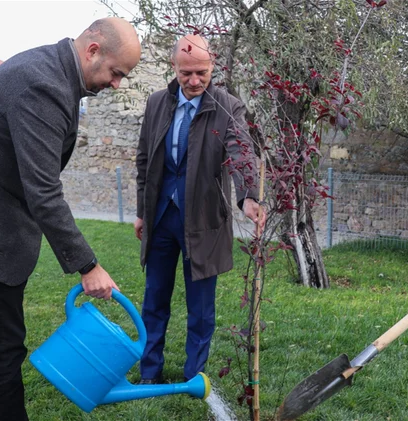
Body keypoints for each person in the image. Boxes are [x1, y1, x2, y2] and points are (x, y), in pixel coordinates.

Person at [0, 18, 141, 420]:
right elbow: (43, 190)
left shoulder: (55, 73)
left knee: (3, 344)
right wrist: (88, 265)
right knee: (1, 351)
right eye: (116, 73)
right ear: (93, 50)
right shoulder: (41, 84)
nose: (117, 84)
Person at [134, 34, 263, 384]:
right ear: (174, 67)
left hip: (204, 220)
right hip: (161, 217)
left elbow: (240, 150)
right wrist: (142, 210)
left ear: (212, 68)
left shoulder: (227, 106)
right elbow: (145, 160)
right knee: (154, 300)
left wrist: (249, 194)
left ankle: (194, 376)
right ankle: (150, 372)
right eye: (186, 73)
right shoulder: (157, 103)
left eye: (201, 73)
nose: (193, 81)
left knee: (201, 309)